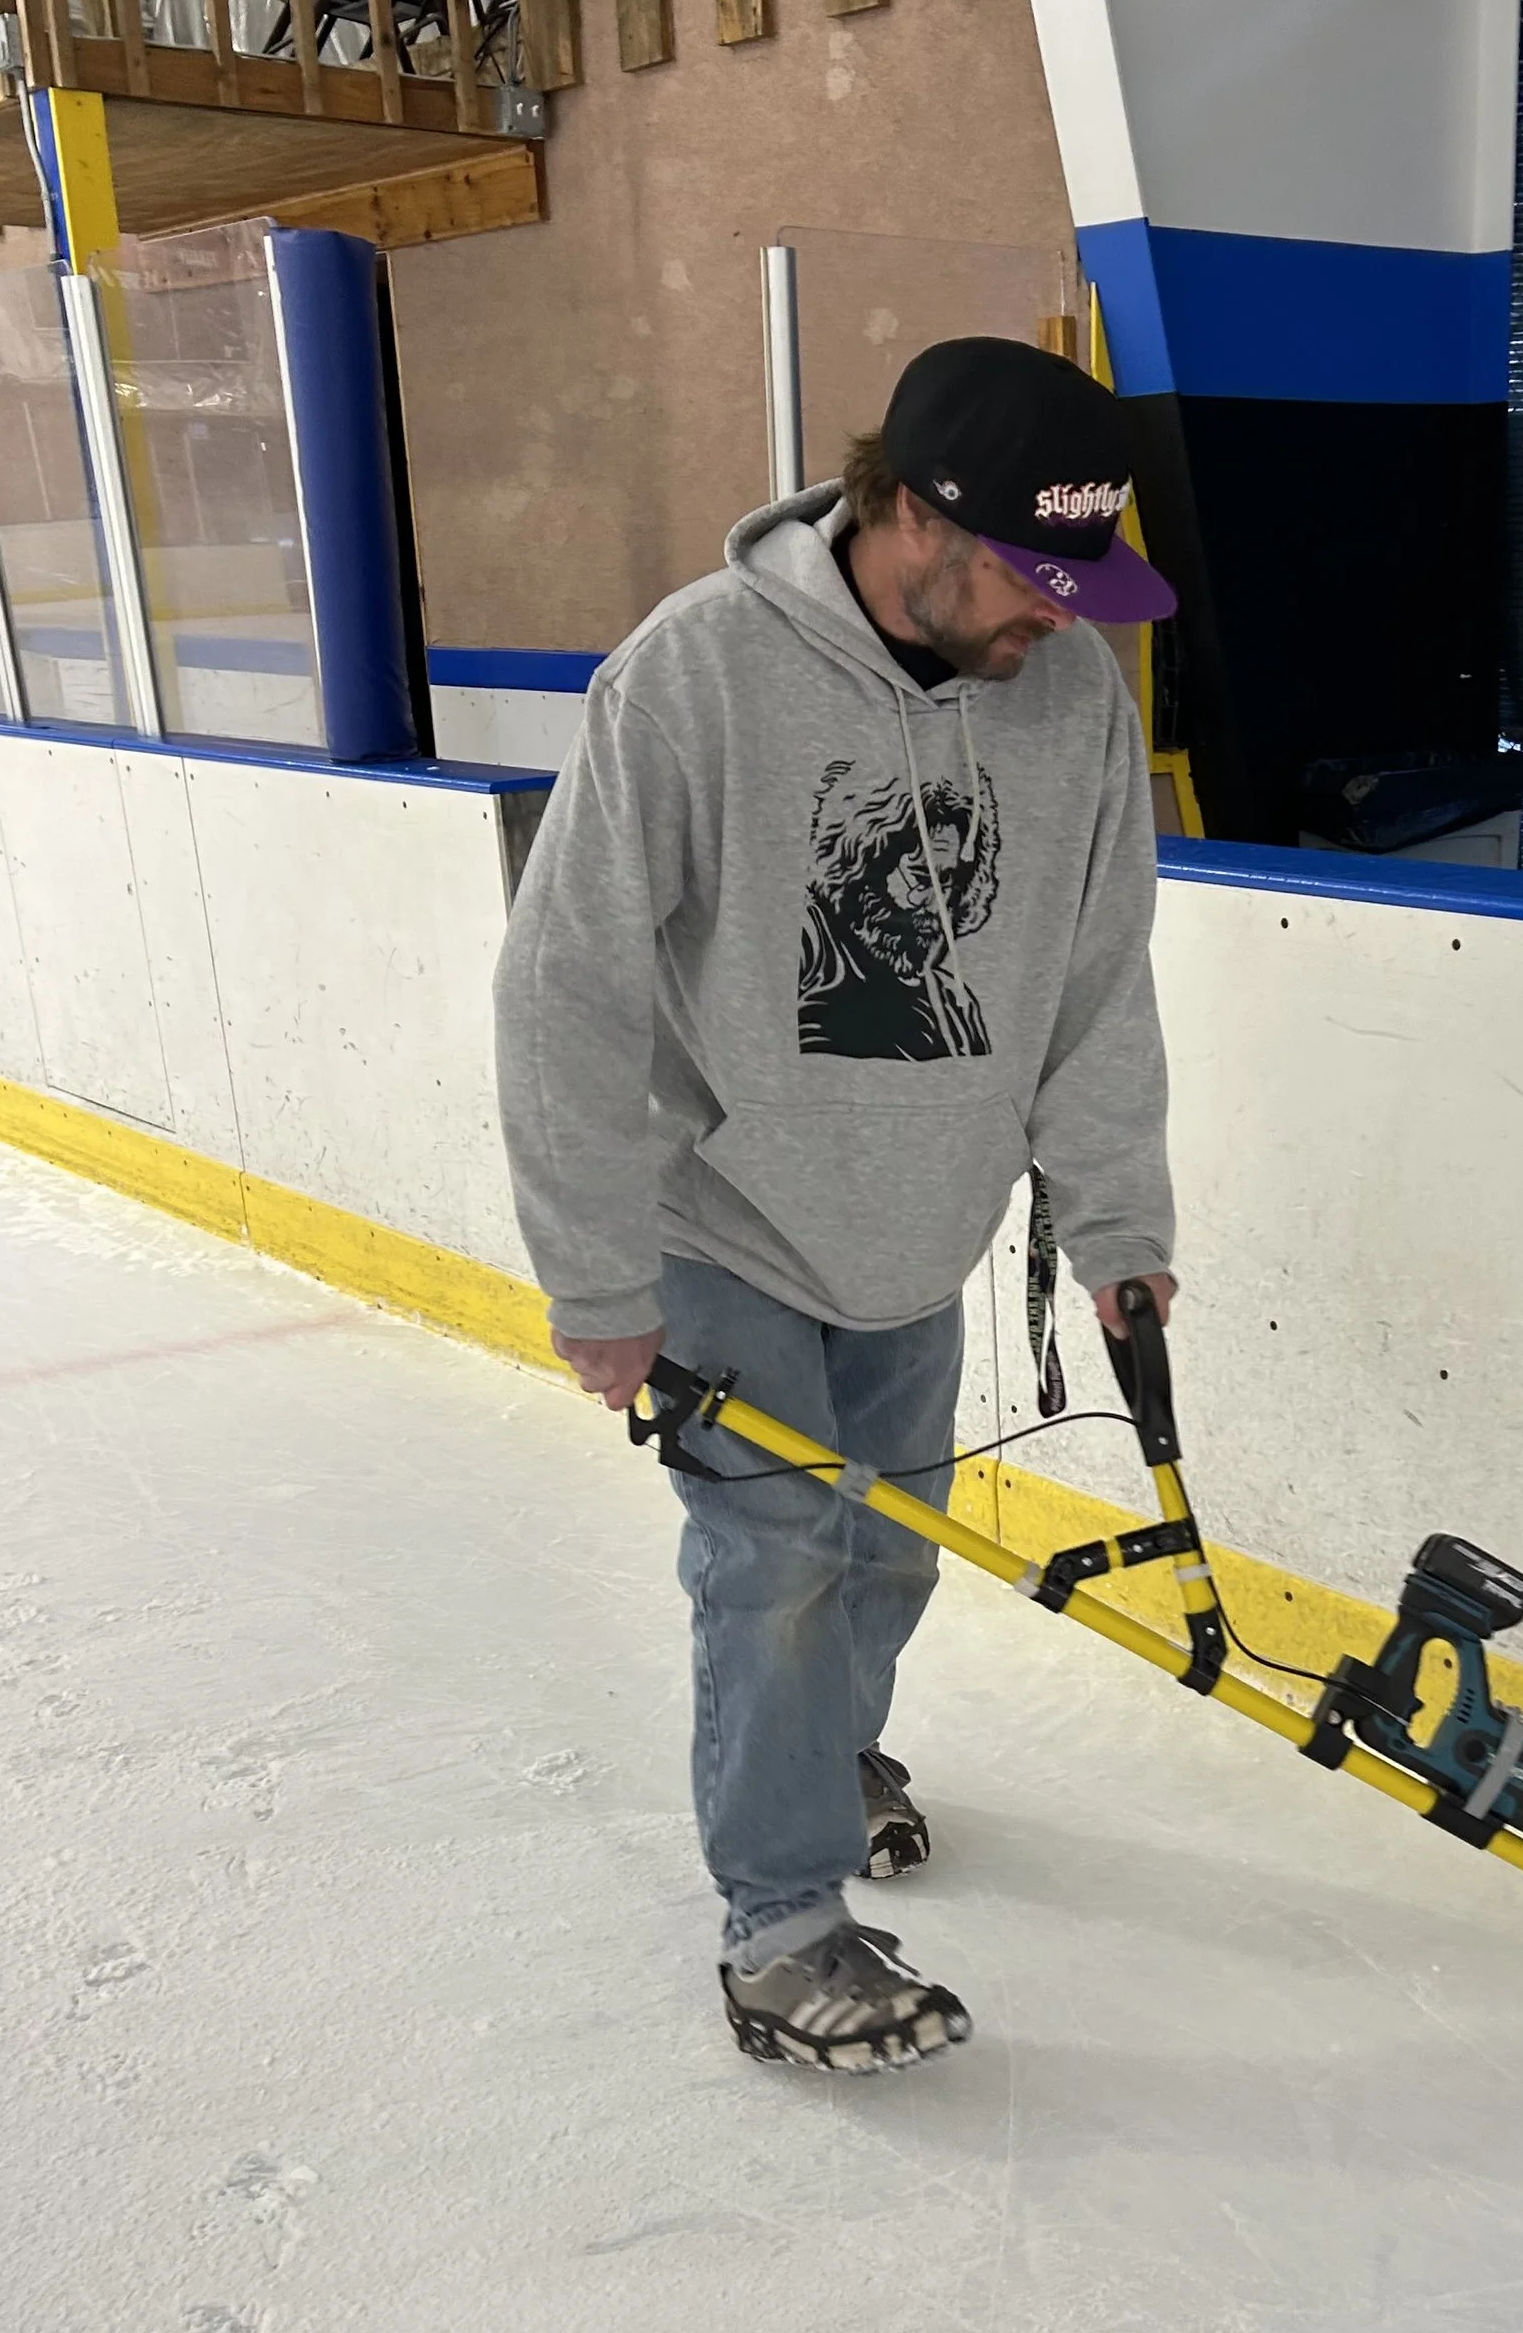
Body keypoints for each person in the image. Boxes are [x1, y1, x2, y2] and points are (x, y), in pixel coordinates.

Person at [493, 337, 1180, 2074]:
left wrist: (1117, 1221)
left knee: (884, 1555)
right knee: (777, 1565)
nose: (1058, 617)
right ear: (906, 514)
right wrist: (593, 1277)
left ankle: (825, 1755)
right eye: (1032, 577)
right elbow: (565, 982)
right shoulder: (696, 674)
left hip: (918, 1236)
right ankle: (783, 1927)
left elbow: (1101, 981)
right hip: (719, 1223)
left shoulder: (1073, 691)